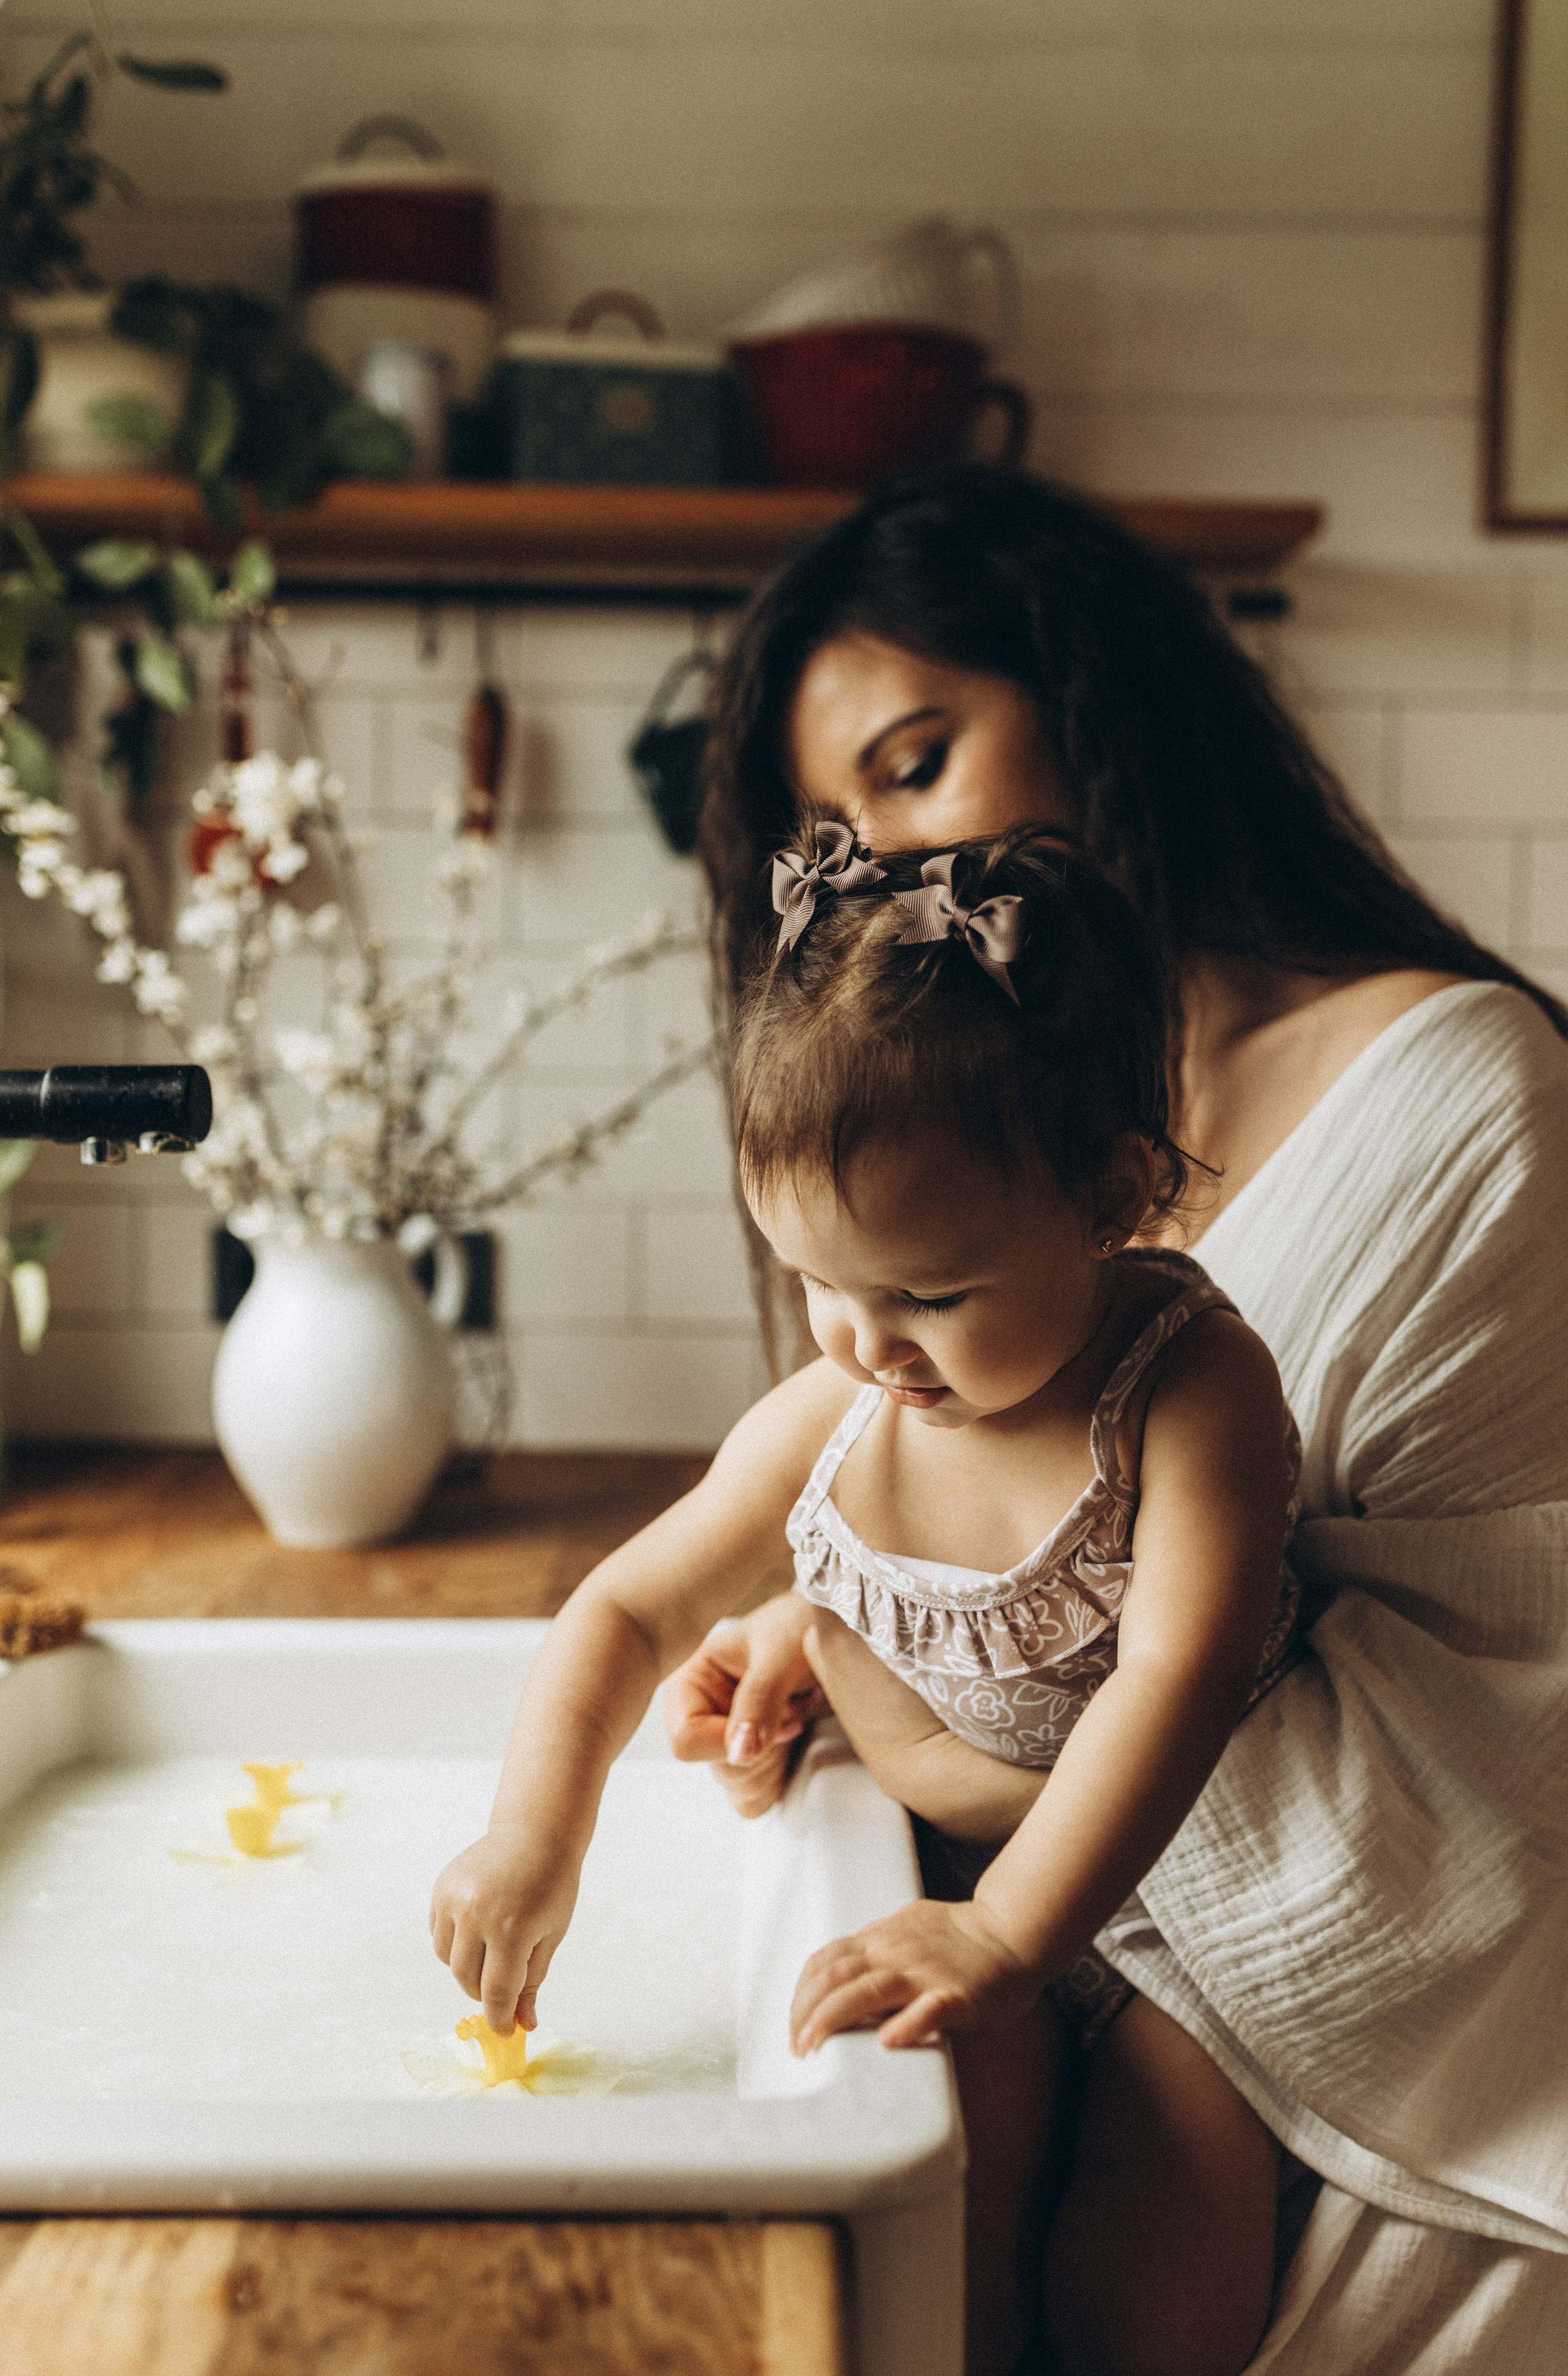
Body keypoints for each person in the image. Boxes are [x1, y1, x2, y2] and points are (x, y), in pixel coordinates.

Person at [670, 465, 1568, 2375]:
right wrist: (830, 1621)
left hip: (1335, 2046)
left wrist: (936, 1717)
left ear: (1094, 705)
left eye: (918, 765)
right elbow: (997, 1505)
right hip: (1022, 1954)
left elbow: (1486, 1679)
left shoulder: (1465, 1099)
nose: (886, 861)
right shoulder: (953, 1168)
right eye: (833, 827)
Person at [431, 821, 1305, 2376]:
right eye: (820, 1280)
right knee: (939, 2240)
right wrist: (530, 1838)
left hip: (1195, 1903)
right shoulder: (833, 1422)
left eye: (932, 1293)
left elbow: (1170, 1677)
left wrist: (1012, 1937)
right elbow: (619, 1614)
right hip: (964, 1887)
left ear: (1114, 1192)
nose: (865, 1344)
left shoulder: (1188, 1395)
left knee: (1151, 2310)